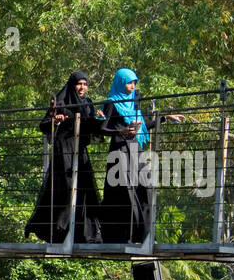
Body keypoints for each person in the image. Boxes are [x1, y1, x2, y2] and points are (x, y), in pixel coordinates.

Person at [99, 69, 183, 244]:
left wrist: (165, 118)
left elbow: (144, 126)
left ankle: (142, 235)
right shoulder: (111, 103)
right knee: (123, 192)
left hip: (136, 151)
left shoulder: (133, 104)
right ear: (121, 82)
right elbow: (102, 128)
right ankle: (120, 236)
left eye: (134, 83)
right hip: (119, 151)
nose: (132, 86)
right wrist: (121, 130)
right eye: (129, 82)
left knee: (144, 188)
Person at [26, 72, 103, 244]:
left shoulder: (87, 103)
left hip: (79, 149)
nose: (82, 87)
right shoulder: (60, 101)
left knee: (83, 188)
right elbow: (43, 124)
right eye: (79, 84)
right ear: (72, 85)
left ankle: (82, 233)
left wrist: (99, 120)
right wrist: (56, 120)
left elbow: (90, 126)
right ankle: (60, 229)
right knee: (67, 187)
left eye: (85, 84)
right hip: (64, 147)